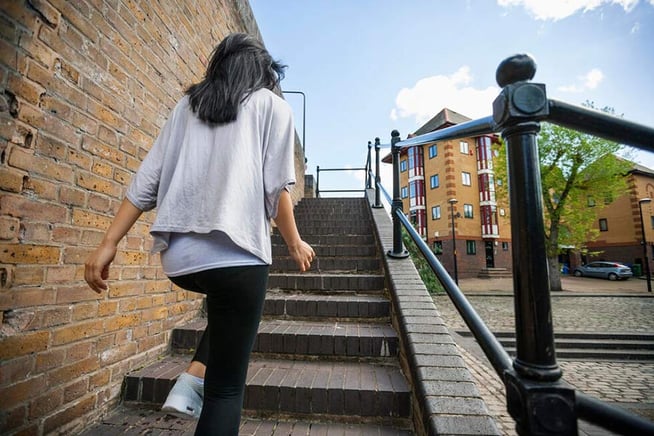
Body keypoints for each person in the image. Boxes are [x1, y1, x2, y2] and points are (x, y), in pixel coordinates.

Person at [85, 33, 315, 435]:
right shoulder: (273, 107)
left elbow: (147, 180)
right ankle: (196, 381)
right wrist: (294, 242)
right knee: (226, 389)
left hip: (181, 262)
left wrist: (109, 242)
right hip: (240, 259)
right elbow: (278, 186)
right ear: (262, 73)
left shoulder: (185, 107)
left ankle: (190, 379)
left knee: (229, 312)